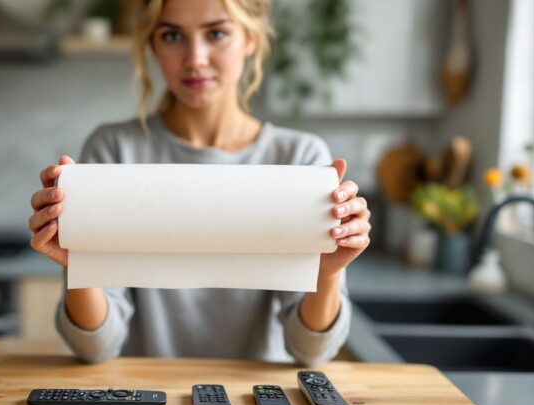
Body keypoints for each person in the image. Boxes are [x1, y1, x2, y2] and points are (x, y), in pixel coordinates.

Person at [28, 0, 371, 365]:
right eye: (172, 35)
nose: (195, 58)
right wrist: (77, 266)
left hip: (257, 402)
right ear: (153, 46)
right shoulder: (114, 149)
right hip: (143, 403)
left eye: (217, 33)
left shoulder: (300, 158)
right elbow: (95, 348)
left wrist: (328, 272)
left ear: (251, 38)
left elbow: (311, 350)